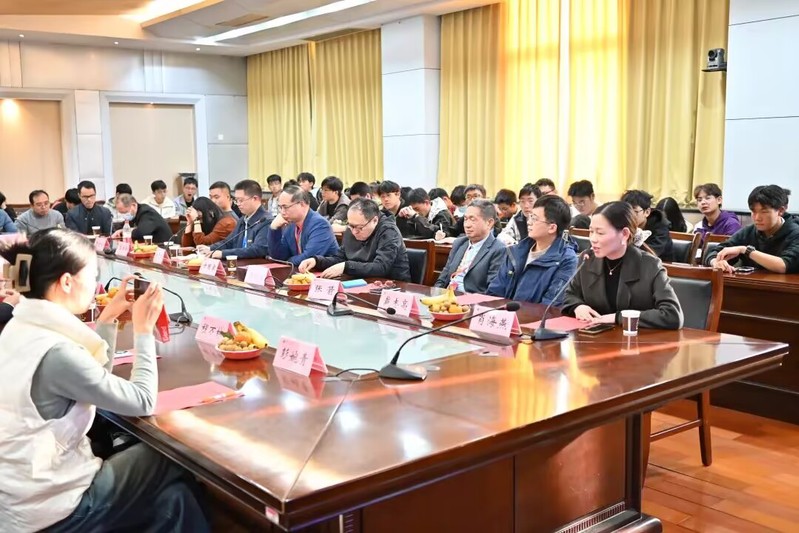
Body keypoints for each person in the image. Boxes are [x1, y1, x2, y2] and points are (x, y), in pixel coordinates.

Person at [0, 229, 208, 532]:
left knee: (175, 496)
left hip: (18, 498)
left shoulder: (20, 327)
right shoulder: (56, 352)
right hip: (53, 507)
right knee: (176, 455)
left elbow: (91, 379)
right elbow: (142, 401)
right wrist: (143, 330)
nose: (95, 282)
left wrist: (108, 318)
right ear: (67, 282)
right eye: (92, 274)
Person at [561, 201, 683, 329]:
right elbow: (570, 295)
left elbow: (672, 315)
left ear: (624, 234)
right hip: (594, 337)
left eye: (600, 233)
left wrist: (617, 317)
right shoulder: (587, 259)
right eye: (591, 231)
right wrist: (578, 306)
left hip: (635, 338)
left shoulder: (650, 266)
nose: (593, 239)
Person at [488, 196, 578, 304]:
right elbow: (494, 292)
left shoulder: (567, 260)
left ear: (552, 228)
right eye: (530, 216)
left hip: (533, 314)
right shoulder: (516, 251)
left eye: (534, 219)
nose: (529, 222)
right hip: (503, 313)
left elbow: (551, 306)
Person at [298, 199, 411, 281]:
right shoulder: (353, 227)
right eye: (350, 226)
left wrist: (346, 266)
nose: (354, 232)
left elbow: (381, 267)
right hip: (360, 282)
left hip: (393, 286)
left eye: (359, 228)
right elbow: (340, 258)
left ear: (374, 220)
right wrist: (317, 261)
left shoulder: (389, 231)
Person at [705, 185, 799, 274]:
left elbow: (784, 265)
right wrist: (716, 262)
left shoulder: (795, 233)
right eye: (753, 211)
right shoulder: (749, 231)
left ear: (781, 210)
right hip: (751, 284)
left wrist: (746, 250)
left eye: (764, 212)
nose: (757, 218)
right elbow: (714, 252)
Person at [434, 199, 506, 294]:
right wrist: (435, 294)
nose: (467, 225)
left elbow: (492, 291)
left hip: (471, 299)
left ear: (489, 223)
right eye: (465, 219)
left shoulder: (498, 249)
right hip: (447, 296)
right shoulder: (459, 243)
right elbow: (443, 278)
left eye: (472, 219)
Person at [268, 185, 339, 265]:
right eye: (280, 207)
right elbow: (279, 256)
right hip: (299, 270)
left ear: (302, 204)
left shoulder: (320, 224)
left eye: (286, 207)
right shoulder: (291, 223)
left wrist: (286, 261)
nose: (282, 212)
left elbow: (307, 258)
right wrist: (274, 229)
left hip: (324, 271)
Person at [208, 180, 271, 259]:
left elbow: (258, 249)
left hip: (256, 264)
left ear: (255, 198)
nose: (238, 204)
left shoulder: (266, 221)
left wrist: (223, 254)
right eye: (236, 200)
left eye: (241, 200)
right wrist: (209, 248)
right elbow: (228, 242)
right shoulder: (243, 220)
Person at [620, 189, 673, 260]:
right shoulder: (622, 224)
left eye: (635, 212)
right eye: (626, 212)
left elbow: (652, 256)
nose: (630, 216)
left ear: (647, 212)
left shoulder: (660, 226)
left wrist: (637, 237)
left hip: (662, 265)